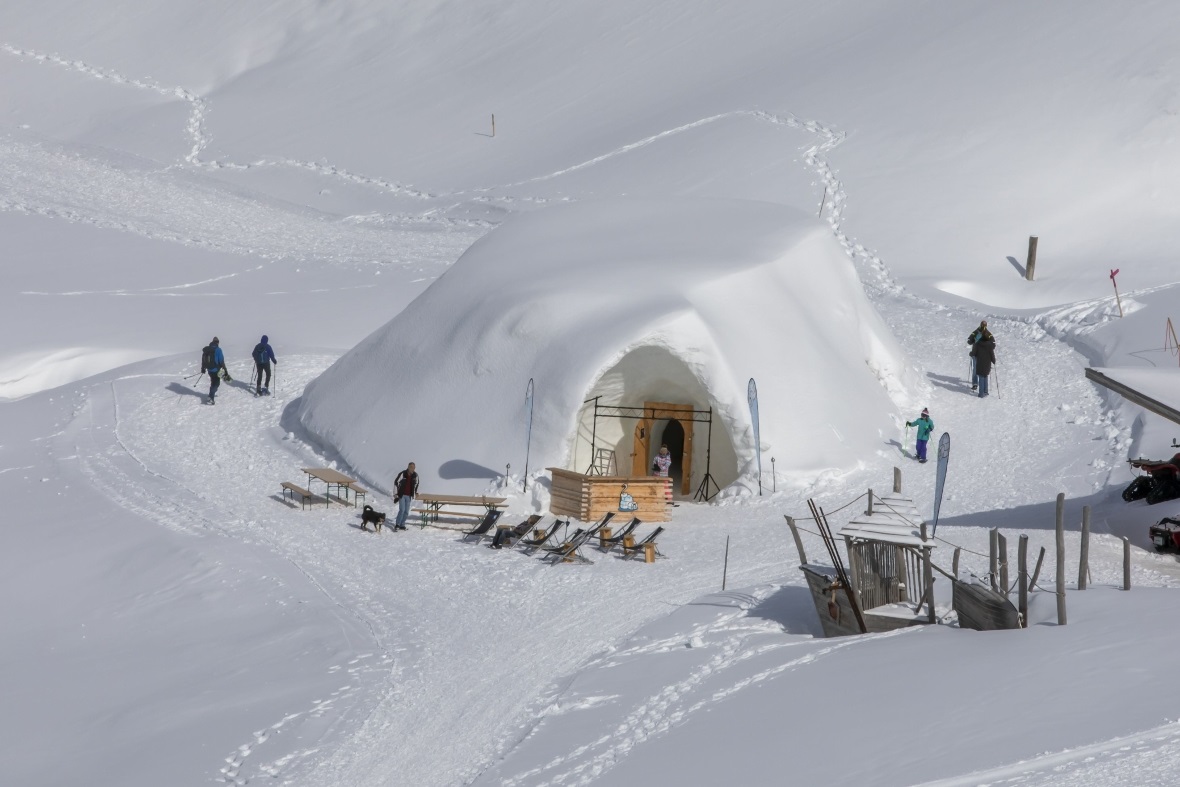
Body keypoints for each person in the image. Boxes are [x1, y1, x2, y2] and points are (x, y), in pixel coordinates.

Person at [967, 321, 995, 391]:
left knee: (976, 368)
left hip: (976, 353)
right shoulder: (987, 333)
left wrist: (973, 342)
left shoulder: (976, 332)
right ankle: (981, 386)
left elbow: (969, 341)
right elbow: (993, 344)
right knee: (982, 369)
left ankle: (976, 384)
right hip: (982, 354)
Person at [392, 462, 419, 531]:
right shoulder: (403, 474)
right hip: (402, 495)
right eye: (412, 467)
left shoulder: (415, 475)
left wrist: (415, 492)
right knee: (402, 510)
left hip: (409, 496)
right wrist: (395, 493)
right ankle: (397, 524)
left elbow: (416, 484)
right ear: (408, 467)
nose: (413, 469)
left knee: (406, 511)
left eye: (414, 467)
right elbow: (396, 482)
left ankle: (402, 524)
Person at [200, 337, 226, 405]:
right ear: (217, 342)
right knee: (216, 384)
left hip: (209, 369)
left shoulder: (207, 349)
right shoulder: (218, 350)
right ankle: (211, 396)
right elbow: (221, 361)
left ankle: (210, 395)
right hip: (216, 369)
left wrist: (203, 368)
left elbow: (203, 360)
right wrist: (225, 370)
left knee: (213, 382)